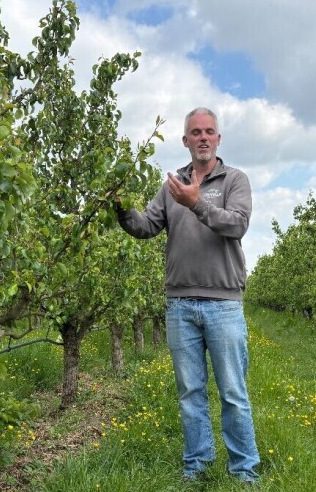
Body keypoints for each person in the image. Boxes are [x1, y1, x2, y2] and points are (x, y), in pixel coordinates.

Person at [115, 107, 260, 483]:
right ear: (185, 140)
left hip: (224, 303)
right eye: (195, 132)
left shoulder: (234, 180)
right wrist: (119, 209)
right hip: (180, 303)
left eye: (209, 131)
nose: (203, 138)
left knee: (232, 391)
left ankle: (244, 470)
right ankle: (197, 466)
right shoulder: (171, 186)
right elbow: (147, 226)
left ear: (219, 139)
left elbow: (237, 224)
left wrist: (196, 203)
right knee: (190, 392)